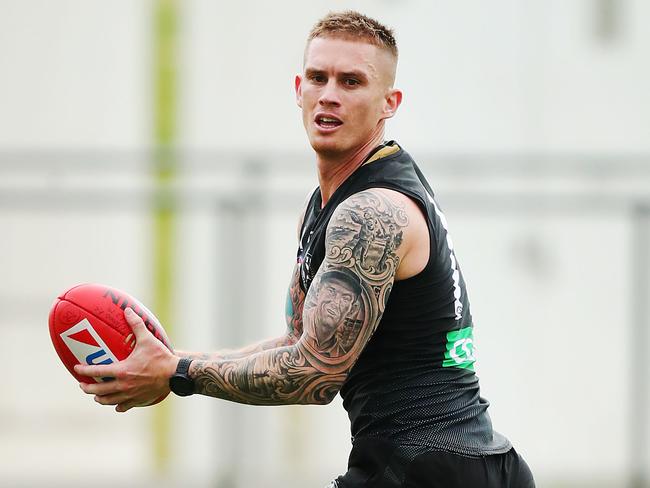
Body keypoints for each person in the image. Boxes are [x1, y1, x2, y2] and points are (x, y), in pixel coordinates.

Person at [75, 11, 535, 487]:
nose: (330, 94)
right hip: (449, 464)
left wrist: (178, 373)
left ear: (388, 103)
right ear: (299, 89)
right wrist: (173, 362)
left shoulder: (372, 212)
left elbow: (314, 372)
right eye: (319, 77)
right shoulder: (328, 204)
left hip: (429, 468)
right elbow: (299, 341)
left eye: (352, 81)